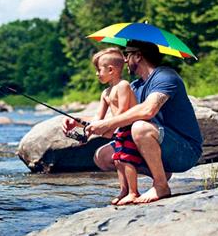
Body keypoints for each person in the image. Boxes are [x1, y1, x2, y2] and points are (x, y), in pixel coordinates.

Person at [85, 40, 203, 203]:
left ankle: (161, 185)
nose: (124, 60)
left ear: (138, 56)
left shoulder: (166, 76)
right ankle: (159, 172)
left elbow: (149, 110)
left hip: (185, 151)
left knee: (140, 128)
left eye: (127, 55)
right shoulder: (134, 86)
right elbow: (117, 118)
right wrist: (78, 123)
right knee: (103, 156)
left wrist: (108, 125)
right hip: (161, 145)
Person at [62, 47, 143, 205]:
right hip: (119, 130)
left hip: (129, 129)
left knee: (127, 160)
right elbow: (98, 118)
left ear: (111, 70)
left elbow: (122, 111)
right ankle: (124, 191)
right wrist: (86, 133)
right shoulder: (105, 93)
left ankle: (134, 192)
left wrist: (109, 128)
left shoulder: (123, 86)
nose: (97, 74)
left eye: (98, 70)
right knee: (118, 160)